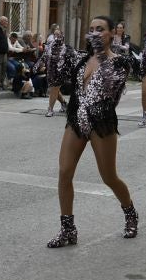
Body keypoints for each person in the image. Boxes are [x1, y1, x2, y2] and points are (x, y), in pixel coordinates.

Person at [45, 17, 139, 246]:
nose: (95, 33)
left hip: (101, 122)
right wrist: (55, 50)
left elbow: (110, 91)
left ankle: (130, 213)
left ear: (110, 35)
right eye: (92, 30)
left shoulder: (119, 63)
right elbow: (57, 74)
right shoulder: (80, 60)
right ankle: (68, 230)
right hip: (76, 119)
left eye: (101, 29)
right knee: (64, 171)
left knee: (109, 176)